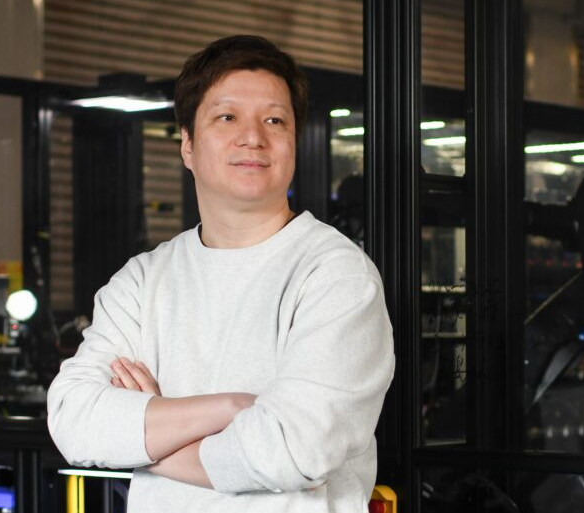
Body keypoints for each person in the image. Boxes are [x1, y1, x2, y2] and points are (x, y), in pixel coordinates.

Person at [46, 35, 395, 512]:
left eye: (275, 120)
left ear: (295, 143)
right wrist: (230, 407)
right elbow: (75, 421)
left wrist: (149, 442)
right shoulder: (142, 281)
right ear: (187, 145)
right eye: (227, 117)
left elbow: (290, 451)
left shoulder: (335, 275)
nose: (253, 136)